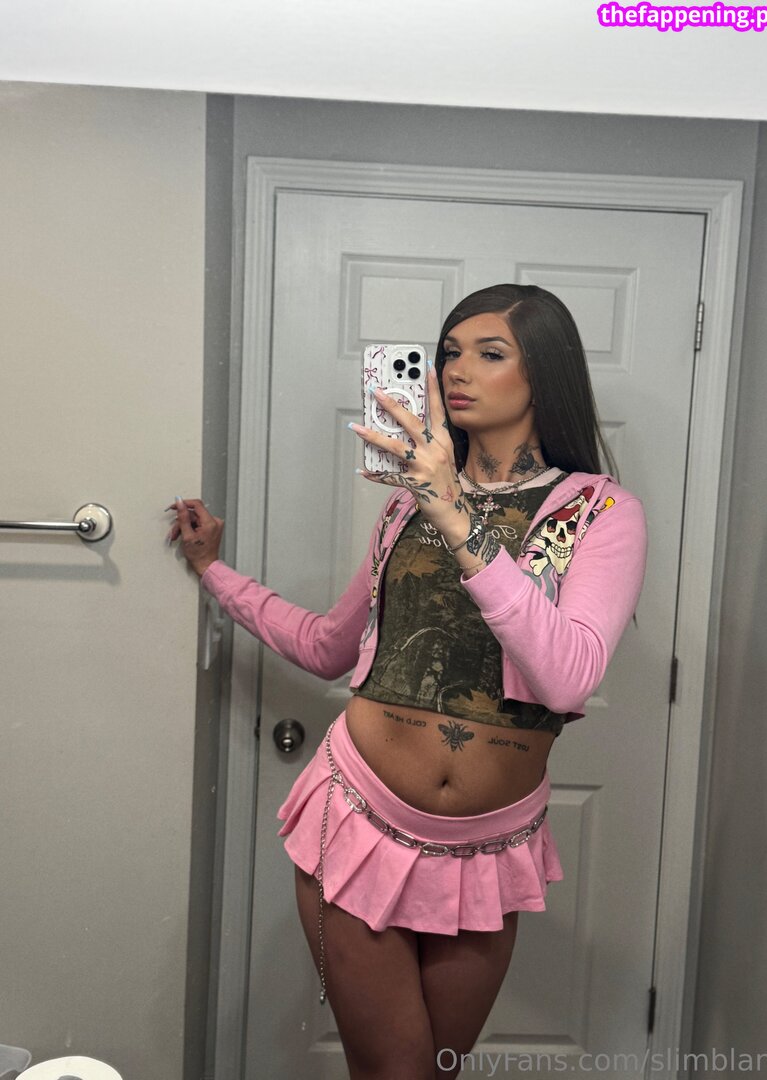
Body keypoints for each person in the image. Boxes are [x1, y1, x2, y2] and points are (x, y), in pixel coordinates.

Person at [168, 284, 647, 1080]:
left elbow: (567, 678)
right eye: (449, 351)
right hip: (357, 819)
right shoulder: (405, 508)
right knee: (396, 1072)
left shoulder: (594, 510)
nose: (457, 370)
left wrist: (455, 512)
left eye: (489, 353)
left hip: (490, 849)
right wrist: (215, 571)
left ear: (546, 373)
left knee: (433, 1073)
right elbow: (328, 646)